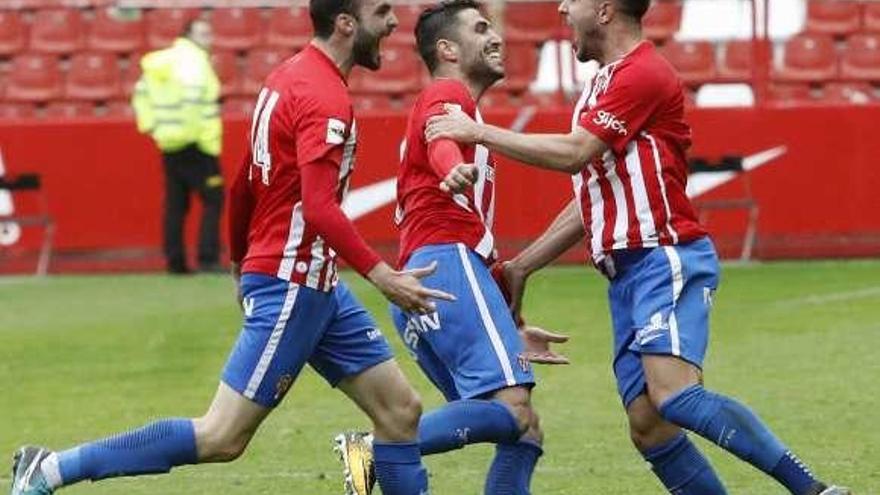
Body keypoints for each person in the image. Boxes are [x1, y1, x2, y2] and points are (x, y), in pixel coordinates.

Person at [9, 1, 451, 494]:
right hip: (292, 282)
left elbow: (244, 184)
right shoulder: (324, 96)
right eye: (382, 11)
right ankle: (47, 469)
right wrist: (383, 275)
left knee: (400, 412)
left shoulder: (286, 77)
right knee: (223, 435)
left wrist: (242, 262)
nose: (393, 22)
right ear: (347, 23)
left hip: (316, 283)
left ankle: (366, 469)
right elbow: (320, 208)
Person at [424, 0, 851, 494]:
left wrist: (476, 131)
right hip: (627, 273)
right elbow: (595, 195)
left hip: (663, 255)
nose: (561, 7)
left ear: (604, 11)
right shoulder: (602, 85)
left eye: (573, 0)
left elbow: (575, 154)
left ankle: (814, 490)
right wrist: (523, 265)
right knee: (649, 425)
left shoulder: (642, 73)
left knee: (674, 395)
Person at [335, 2, 569, 494]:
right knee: (514, 410)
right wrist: (451, 169)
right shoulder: (447, 94)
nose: (496, 37)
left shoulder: (458, 106)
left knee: (523, 430)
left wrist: (509, 325)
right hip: (446, 269)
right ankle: (374, 450)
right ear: (446, 49)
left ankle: (380, 451)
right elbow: (441, 139)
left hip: (431, 277)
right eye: (481, 29)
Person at [132, 18, 224, 274]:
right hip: (197, 143)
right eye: (203, 32)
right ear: (189, 35)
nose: (209, 37)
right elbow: (193, 99)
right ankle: (207, 258)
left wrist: (152, 126)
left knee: (176, 204)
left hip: (169, 142)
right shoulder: (194, 62)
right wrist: (193, 134)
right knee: (213, 199)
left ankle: (175, 262)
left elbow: (140, 93)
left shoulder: (163, 60)